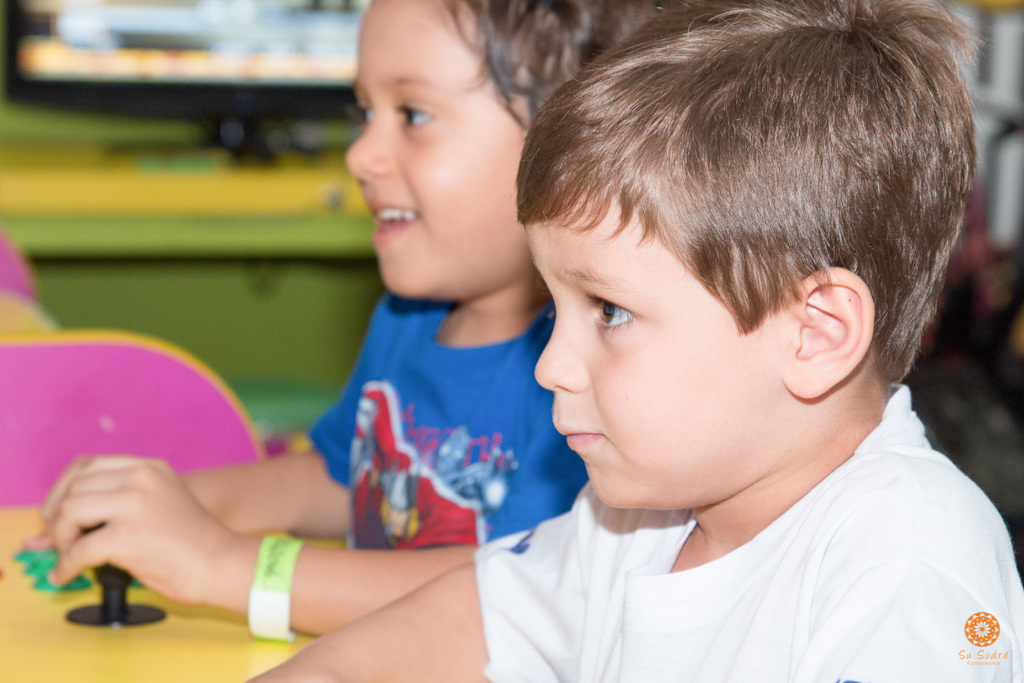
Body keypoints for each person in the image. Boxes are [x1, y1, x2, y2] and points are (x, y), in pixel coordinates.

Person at [249, 0, 1024, 680]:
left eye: (609, 312)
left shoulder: (911, 565)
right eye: (556, 310)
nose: (550, 365)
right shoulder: (632, 514)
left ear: (816, 333)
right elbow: (480, 616)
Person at [34, 0, 663, 637]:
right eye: (364, 113)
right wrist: (166, 505)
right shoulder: (409, 315)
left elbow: (518, 591)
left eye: (413, 114)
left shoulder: (589, 372)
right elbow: (344, 476)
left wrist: (223, 563)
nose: (362, 155)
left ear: (575, 144)